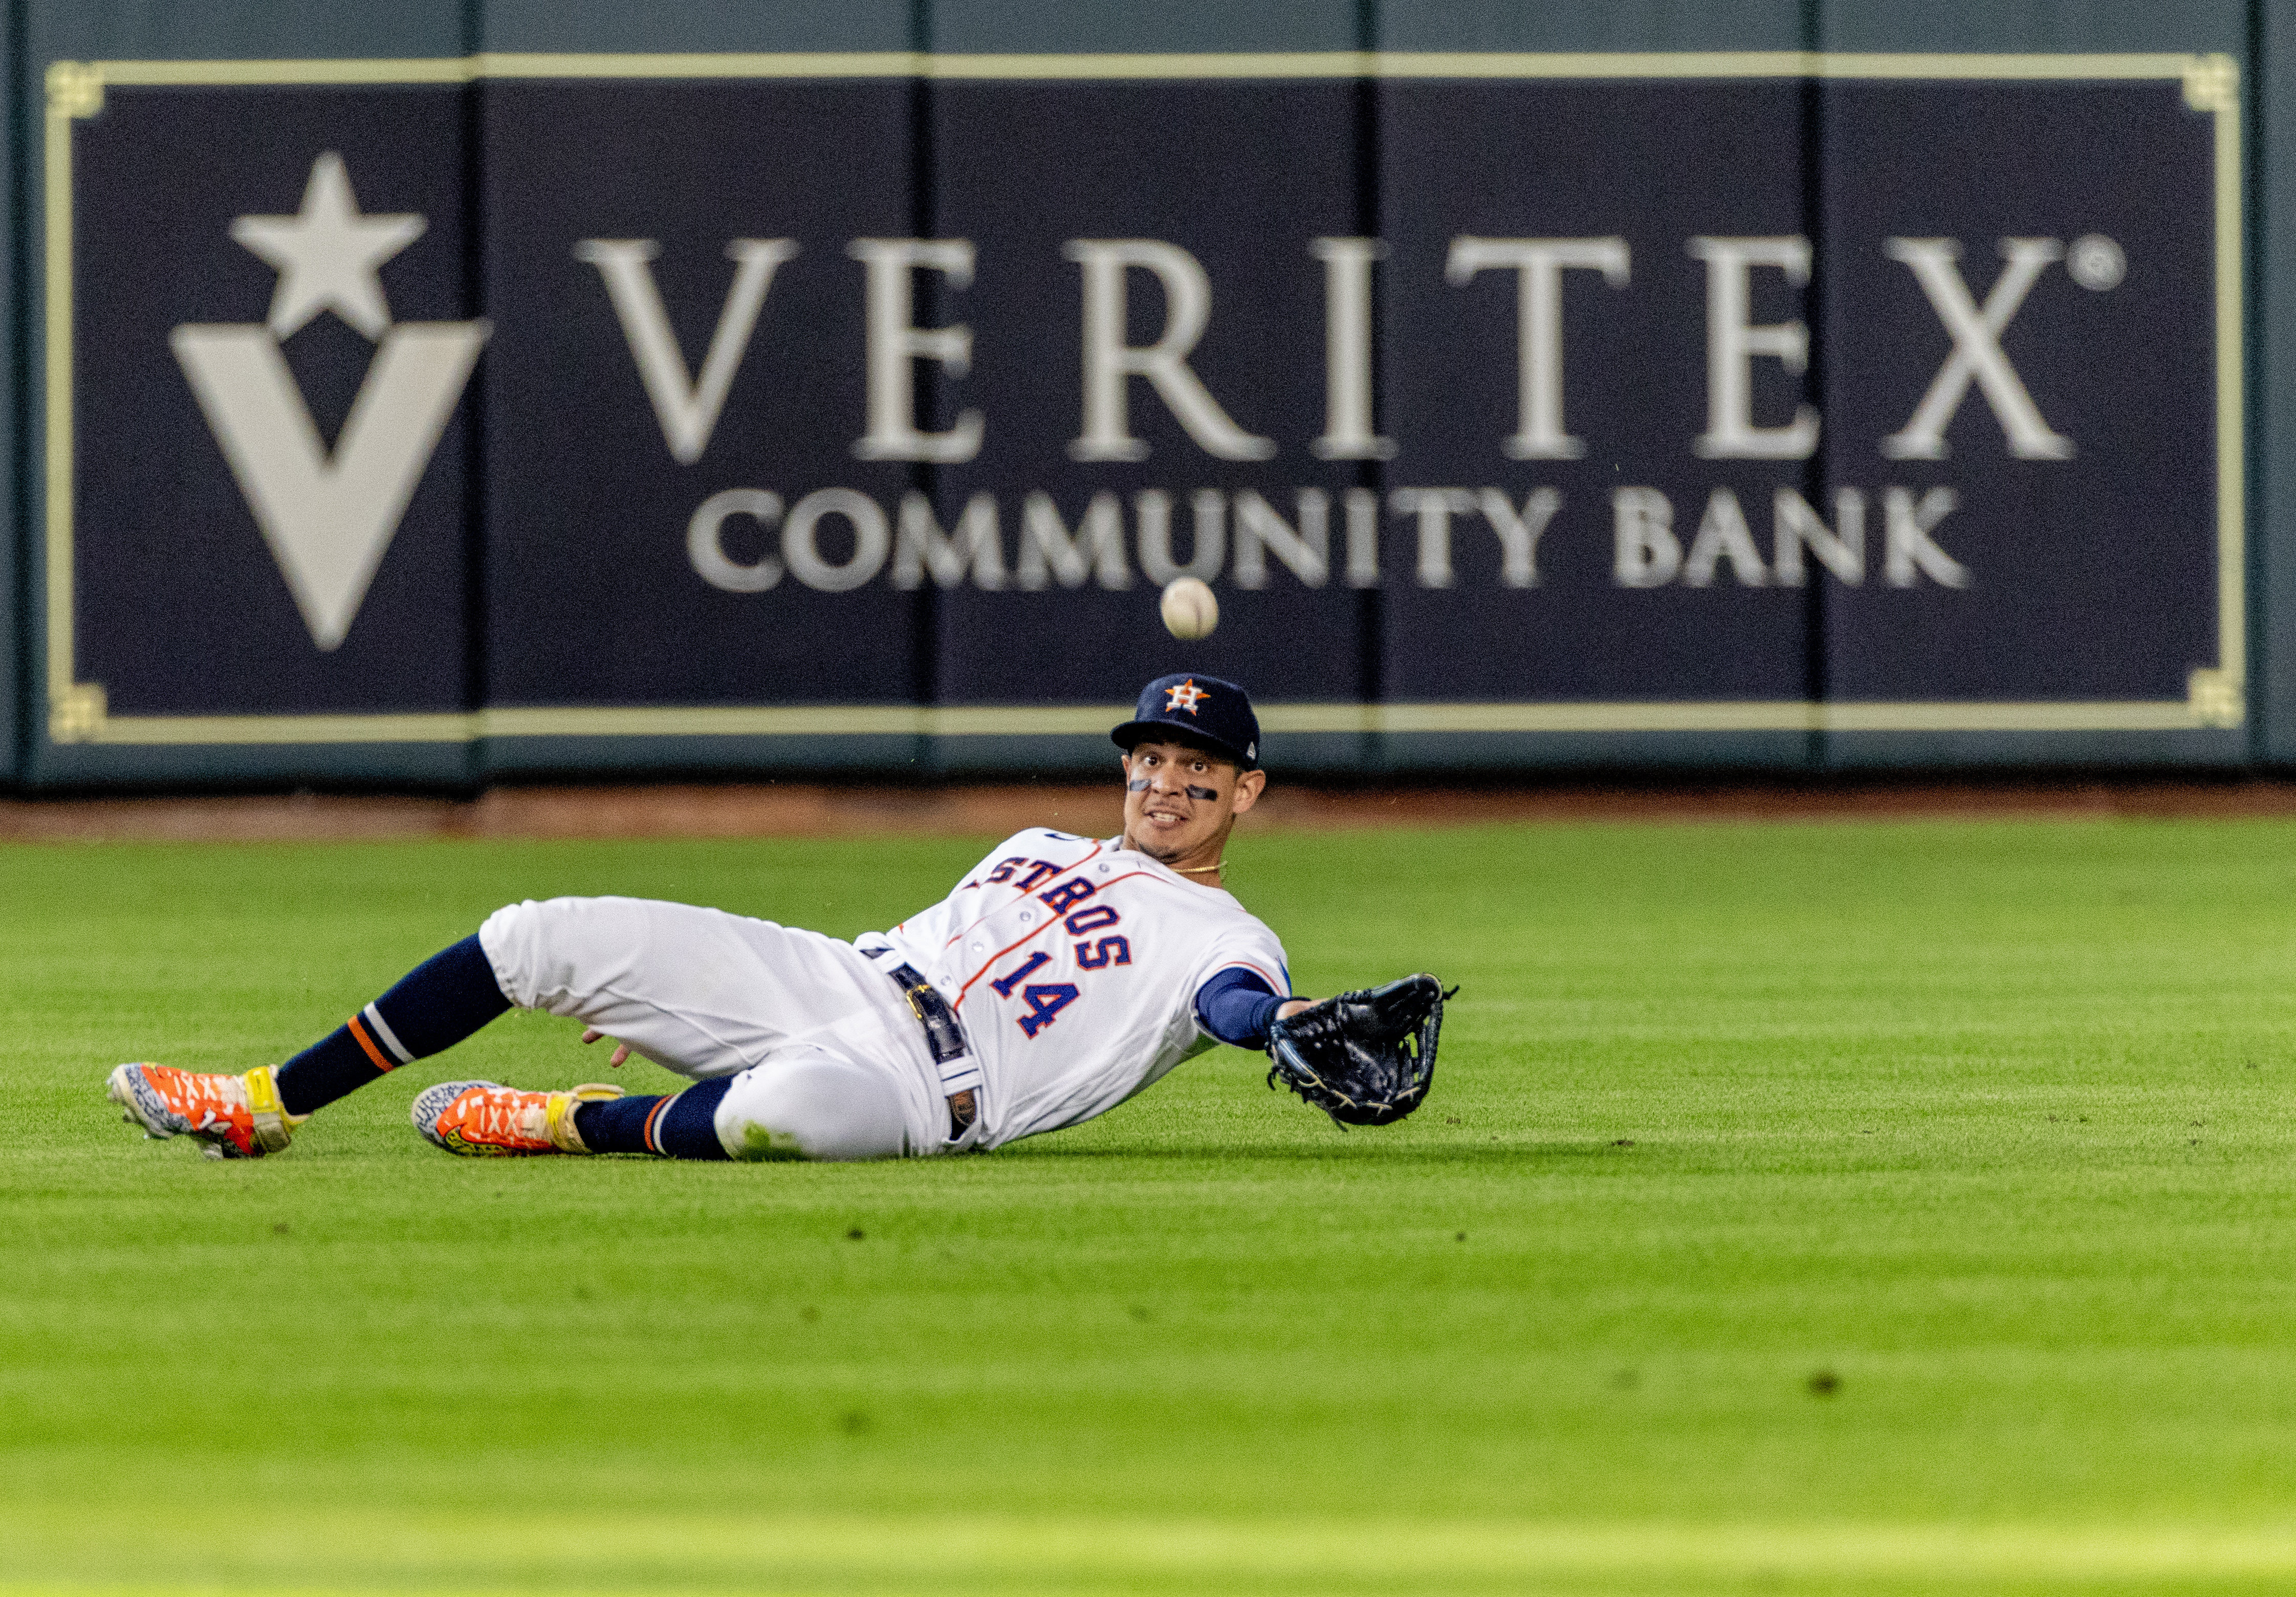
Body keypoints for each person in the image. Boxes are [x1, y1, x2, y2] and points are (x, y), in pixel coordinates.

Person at [106, 674, 1316, 1163]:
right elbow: (921, 944)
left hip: (927, 1095)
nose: (1168, 781)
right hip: (837, 980)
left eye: (1199, 766)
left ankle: (568, 1123)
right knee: (539, 933)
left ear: (1246, 789)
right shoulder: (1037, 843)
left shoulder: (1226, 938)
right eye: (1152, 755)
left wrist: (1285, 1023)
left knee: (778, 1115)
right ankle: (266, 1103)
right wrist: (689, 1007)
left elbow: (1232, 1004)